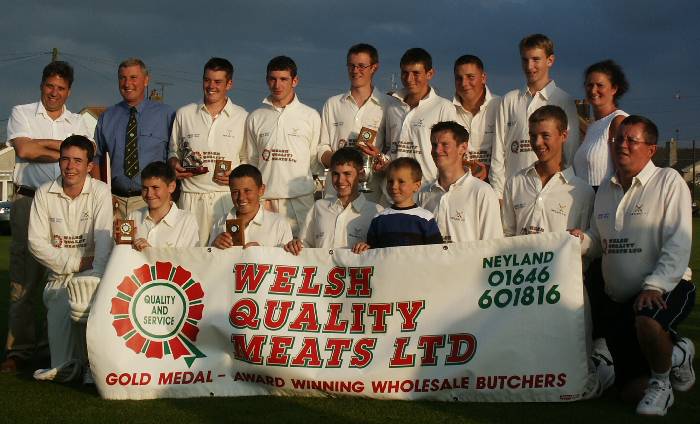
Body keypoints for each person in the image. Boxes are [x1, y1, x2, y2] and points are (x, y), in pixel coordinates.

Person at [570, 116, 695, 416]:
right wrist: (579, 240)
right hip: (619, 300)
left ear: (651, 149)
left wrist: (655, 286)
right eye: (618, 139)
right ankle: (678, 353)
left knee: (647, 320)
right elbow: (599, 240)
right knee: (629, 392)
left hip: (665, 289)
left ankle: (662, 385)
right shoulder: (606, 189)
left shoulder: (668, 181)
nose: (622, 145)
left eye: (631, 140)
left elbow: (678, 241)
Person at [3, 61, 91, 373]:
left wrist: (43, 145)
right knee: (24, 281)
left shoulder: (79, 121)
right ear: (42, 85)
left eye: (61, 88)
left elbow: (85, 157)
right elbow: (24, 151)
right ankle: (19, 351)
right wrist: (66, 152)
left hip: (65, 205)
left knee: (62, 278)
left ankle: (53, 348)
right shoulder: (22, 112)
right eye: (50, 86)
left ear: (69, 91)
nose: (54, 93)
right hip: (28, 200)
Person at [28, 135, 113, 383]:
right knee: (61, 302)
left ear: (89, 166)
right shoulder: (44, 193)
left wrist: (95, 277)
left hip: (92, 275)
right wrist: (75, 263)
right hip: (59, 277)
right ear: (59, 162)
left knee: (85, 301)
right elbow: (36, 243)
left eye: (78, 160)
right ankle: (70, 364)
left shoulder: (100, 191)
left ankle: (89, 365)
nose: (70, 166)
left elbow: (104, 240)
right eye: (65, 159)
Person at [489, 34, 580, 201]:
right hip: (513, 195)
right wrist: (498, 195)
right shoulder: (509, 100)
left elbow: (570, 152)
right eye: (525, 60)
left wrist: (564, 192)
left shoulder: (564, 101)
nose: (530, 66)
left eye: (536, 59)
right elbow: (498, 154)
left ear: (550, 60)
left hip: (553, 194)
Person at [169, 57, 248, 245]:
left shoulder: (243, 117)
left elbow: (247, 158)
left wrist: (236, 175)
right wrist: (174, 164)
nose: (211, 86)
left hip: (225, 198)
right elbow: (173, 152)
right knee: (189, 254)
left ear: (229, 84)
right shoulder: (184, 113)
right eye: (207, 80)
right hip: (190, 197)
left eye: (218, 82)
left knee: (225, 254)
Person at [245, 56, 321, 237]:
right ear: (267, 80)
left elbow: (313, 161)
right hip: (265, 200)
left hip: (299, 201)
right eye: (273, 79)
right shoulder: (255, 117)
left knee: (300, 250)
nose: (277, 85)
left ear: (295, 81)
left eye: (283, 79)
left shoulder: (310, 116)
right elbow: (252, 161)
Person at [94, 58, 176, 219]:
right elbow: (95, 159)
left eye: (133, 77)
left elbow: (174, 157)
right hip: (115, 202)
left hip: (152, 202)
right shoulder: (107, 117)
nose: (127, 83)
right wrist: (103, 194)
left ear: (146, 80)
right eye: (122, 78)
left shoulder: (166, 115)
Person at [362, 48, 457, 186]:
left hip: (426, 188)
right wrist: (381, 158)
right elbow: (391, 149)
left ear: (430, 74)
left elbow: (450, 154)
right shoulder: (392, 106)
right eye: (405, 73)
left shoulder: (444, 107)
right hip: (394, 188)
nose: (409, 79)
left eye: (416, 73)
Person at [502, 106, 594, 236]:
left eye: (545, 135)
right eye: (533, 136)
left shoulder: (583, 192)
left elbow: (586, 241)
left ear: (563, 136)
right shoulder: (515, 182)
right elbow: (506, 235)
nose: (537, 142)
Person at [318, 43, 387, 201]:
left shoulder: (388, 105)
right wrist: (342, 163)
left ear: (374, 68)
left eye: (362, 66)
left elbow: (391, 151)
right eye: (351, 66)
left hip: (373, 194)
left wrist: (379, 158)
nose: (355, 71)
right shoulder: (332, 104)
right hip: (336, 192)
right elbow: (321, 148)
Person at [285, 148, 383, 254]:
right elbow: (305, 246)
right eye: (336, 174)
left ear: (361, 174)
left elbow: (383, 253)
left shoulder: (376, 212)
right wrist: (295, 246)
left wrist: (370, 248)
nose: (340, 180)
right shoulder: (319, 207)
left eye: (347, 174)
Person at [418, 121, 502, 242]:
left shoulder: (483, 192)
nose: (437, 150)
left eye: (445, 144)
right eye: (434, 145)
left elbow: (492, 244)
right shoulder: (423, 193)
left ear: (462, 148)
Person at [353, 157, 442, 252]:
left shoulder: (426, 218)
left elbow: (436, 253)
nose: (394, 186)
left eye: (401, 182)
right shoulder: (379, 218)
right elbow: (373, 253)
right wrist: (364, 248)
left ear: (416, 186)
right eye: (390, 181)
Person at [573, 60, 629, 190]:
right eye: (589, 85)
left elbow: (625, 173)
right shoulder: (592, 127)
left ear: (614, 89)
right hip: (584, 198)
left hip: (606, 198)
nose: (593, 90)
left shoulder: (618, 121)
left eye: (600, 85)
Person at [210, 164, 292, 248]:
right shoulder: (220, 223)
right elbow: (208, 254)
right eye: (235, 192)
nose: (241, 197)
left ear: (261, 190)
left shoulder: (279, 224)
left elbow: (285, 256)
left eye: (247, 191)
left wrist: (261, 252)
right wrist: (213, 246)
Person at [127, 161, 199, 250]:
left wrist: (151, 252)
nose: (149, 194)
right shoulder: (132, 217)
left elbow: (189, 257)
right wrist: (121, 244)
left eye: (155, 188)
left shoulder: (187, 221)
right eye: (145, 188)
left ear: (171, 187)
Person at [452, 55, 500, 181]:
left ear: (483, 78)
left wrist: (489, 169)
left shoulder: (500, 106)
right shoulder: (447, 110)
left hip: (495, 183)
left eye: (470, 77)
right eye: (459, 78)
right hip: (458, 183)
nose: (464, 83)